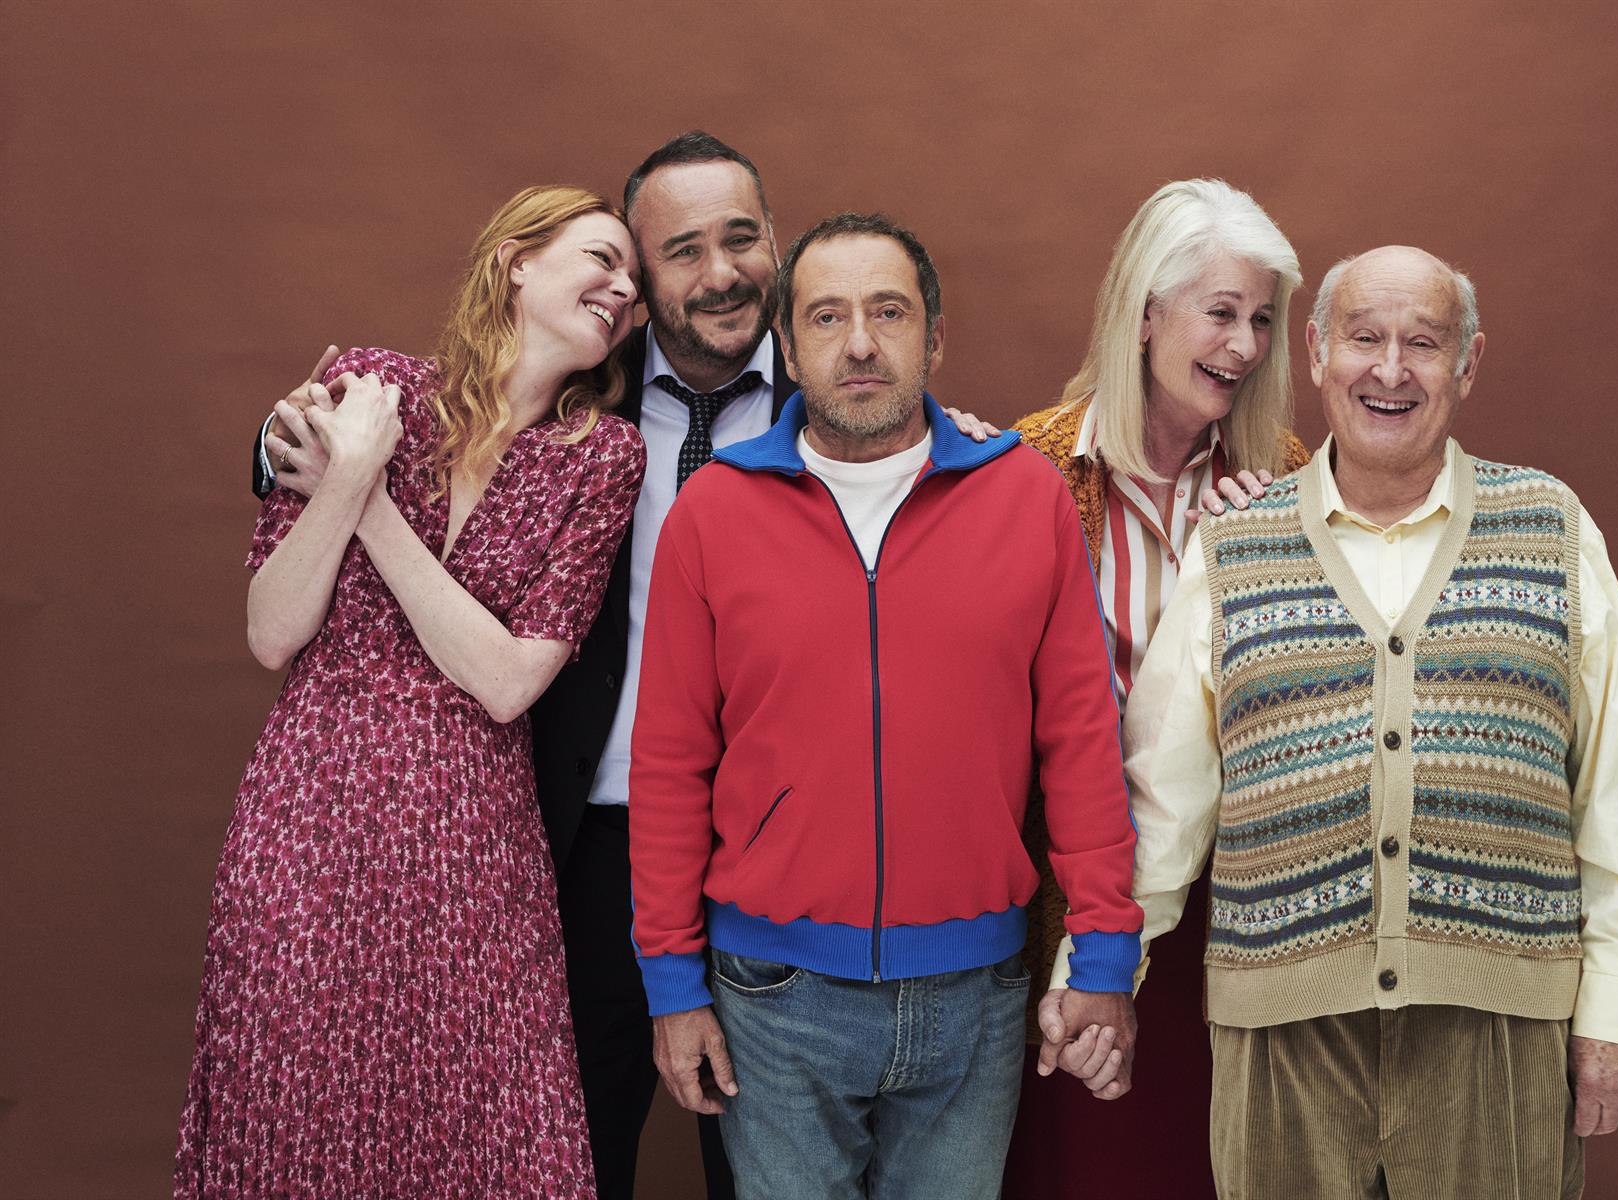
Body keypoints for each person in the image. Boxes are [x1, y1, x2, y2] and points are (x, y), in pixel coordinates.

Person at [252, 132, 996, 1199]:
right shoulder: (580, 406)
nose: (721, 272)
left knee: (772, 1171)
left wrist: (948, 435)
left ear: (776, 243)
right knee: (571, 1156)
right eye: (682, 252)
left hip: (773, 858)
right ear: (640, 283)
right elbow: (434, 433)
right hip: (587, 847)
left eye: (742, 239)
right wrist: (283, 444)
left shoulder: (842, 400)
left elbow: (940, 479)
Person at [1104, 245, 1618, 1198]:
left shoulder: (1550, 526)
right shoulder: (1237, 546)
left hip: (1498, 1027)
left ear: (1468, 363)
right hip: (1281, 1031)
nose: (1389, 369)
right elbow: (1164, 801)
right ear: (1316, 350)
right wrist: (1100, 972)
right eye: (1364, 338)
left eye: (1423, 343)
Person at [627, 212, 1142, 1199]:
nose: (859, 343)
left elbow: (1082, 743)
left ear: (934, 339)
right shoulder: (714, 512)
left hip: (976, 991)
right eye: (826, 317)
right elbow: (669, 766)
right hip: (771, 997)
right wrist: (672, 985)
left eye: (888, 313)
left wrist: (1107, 957)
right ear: (788, 349)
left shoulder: (1024, 497)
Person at [178, 185, 648, 1197]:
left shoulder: (603, 457)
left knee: (474, 1123)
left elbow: (507, 681)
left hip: (473, 833)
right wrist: (353, 463)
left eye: (633, 282)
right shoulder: (372, 385)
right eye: (602, 258)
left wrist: (362, 490)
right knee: (298, 1100)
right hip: (309, 814)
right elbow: (273, 632)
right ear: (517, 260)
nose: (624, 289)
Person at [995, 177, 1312, 1199]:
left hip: (1240, 910)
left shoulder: (1292, 481)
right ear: (1143, 315)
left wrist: (1273, 562)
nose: (1245, 345)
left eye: (1261, 319)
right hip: (1070, 900)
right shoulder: (1025, 469)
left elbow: (1332, 704)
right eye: (1221, 312)